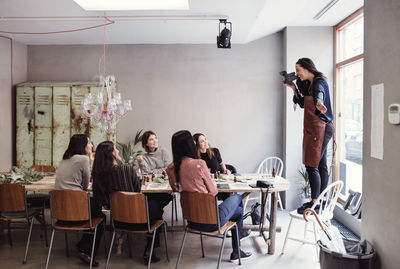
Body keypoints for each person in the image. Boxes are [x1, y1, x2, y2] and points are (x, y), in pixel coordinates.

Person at [166, 130, 252, 262]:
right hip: (211, 221)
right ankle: (236, 249)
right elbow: (213, 192)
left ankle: (237, 246)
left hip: (192, 221)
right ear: (190, 144)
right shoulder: (199, 164)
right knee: (237, 199)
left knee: (239, 211)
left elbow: (176, 189)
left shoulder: (171, 168)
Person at [92, 141, 167, 264]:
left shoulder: (99, 175)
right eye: (116, 149)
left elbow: (103, 201)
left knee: (155, 206)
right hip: (139, 220)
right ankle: (150, 249)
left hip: (118, 221)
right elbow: (137, 193)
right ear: (111, 154)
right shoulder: (126, 169)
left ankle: (150, 248)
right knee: (157, 208)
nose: (118, 151)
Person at [283, 58, 334, 214]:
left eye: (298, 70)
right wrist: (293, 88)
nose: (297, 73)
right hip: (315, 128)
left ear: (307, 68)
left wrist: (319, 102)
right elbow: (304, 104)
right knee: (321, 164)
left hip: (321, 127)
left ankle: (314, 203)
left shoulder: (319, 81)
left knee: (312, 165)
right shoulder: (308, 84)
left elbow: (319, 94)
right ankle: (321, 200)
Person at [55, 134, 103, 267]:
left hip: (60, 211)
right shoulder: (83, 159)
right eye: (89, 143)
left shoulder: (64, 159)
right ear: (82, 145)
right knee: (100, 215)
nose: (92, 145)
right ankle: (86, 250)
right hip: (76, 208)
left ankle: (82, 244)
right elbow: (85, 185)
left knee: (95, 210)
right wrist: (91, 162)